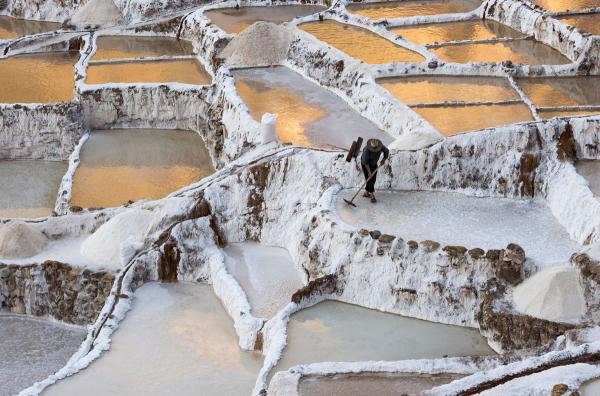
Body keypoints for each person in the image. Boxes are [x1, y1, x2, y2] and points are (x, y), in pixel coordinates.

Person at [359, 138, 389, 203]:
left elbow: (386, 151)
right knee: (369, 178)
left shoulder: (380, 146)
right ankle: (372, 195)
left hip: (374, 163)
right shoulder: (366, 150)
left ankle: (366, 193)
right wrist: (369, 171)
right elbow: (365, 162)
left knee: (373, 178)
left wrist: (384, 159)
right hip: (366, 165)